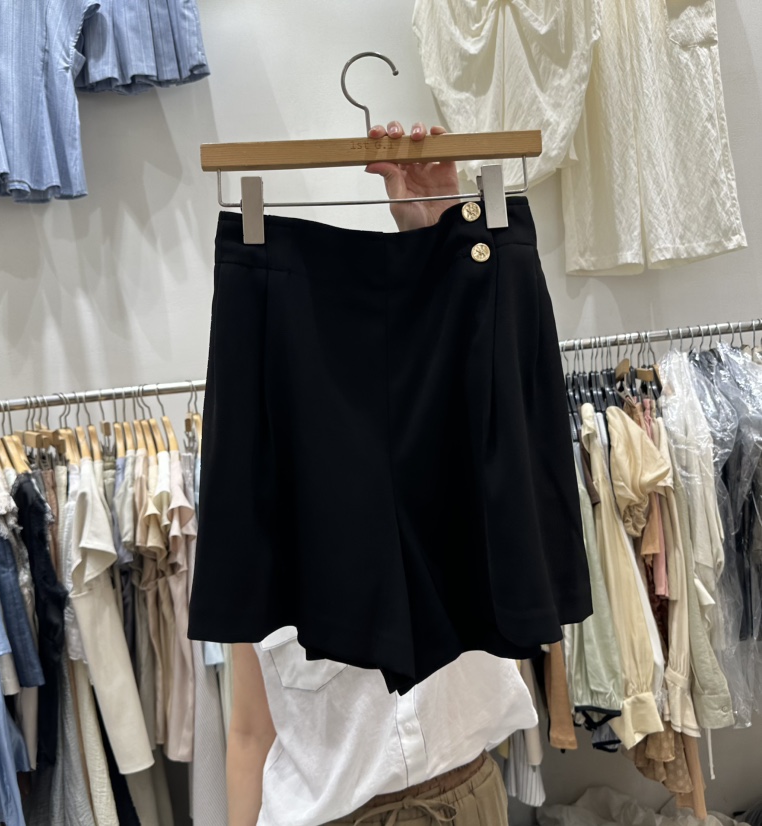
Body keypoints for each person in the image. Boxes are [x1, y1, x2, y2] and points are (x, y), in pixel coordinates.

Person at [224, 121, 539, 826]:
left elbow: (494, 377)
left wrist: (440, 238)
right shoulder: (263, 496)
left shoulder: (465, 451)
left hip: (472, 796)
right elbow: (248, 730)